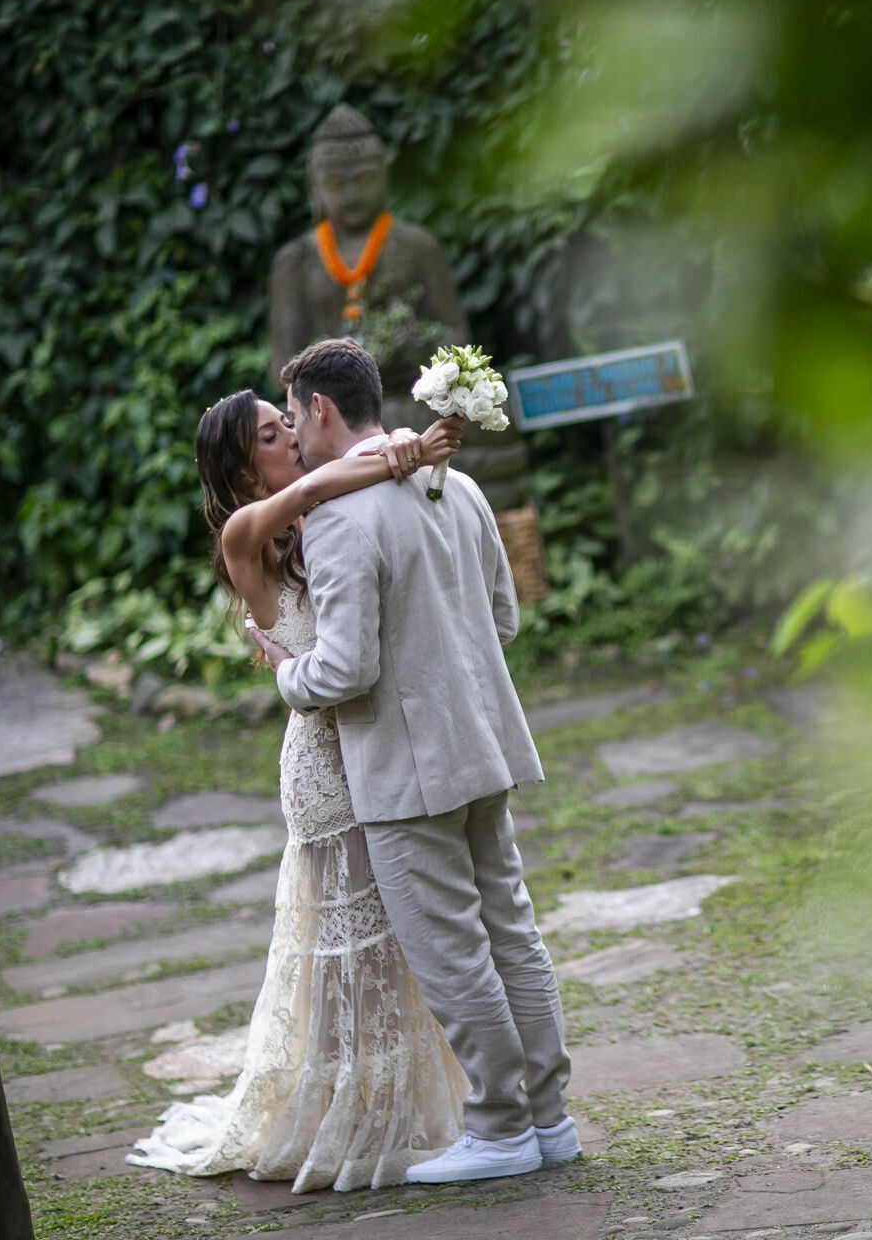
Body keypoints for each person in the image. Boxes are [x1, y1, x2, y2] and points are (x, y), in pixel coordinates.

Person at [248, 337, 577, 1183]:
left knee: (454, 952)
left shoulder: (337, 519)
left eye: (291, 416)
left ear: (320, 410)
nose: (291, 430)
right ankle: (551, 1119)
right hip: (486, 744)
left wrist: (288, 672)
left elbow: (346, 669)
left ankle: (502, 1130)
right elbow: (502, 619)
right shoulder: (458, 485)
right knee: (513, 931)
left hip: (404, 770)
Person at [128, 389, 471, 1192]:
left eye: (290, 427)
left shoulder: (320, 525)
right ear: (245, 468)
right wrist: (403, 450)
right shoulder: (246, 532)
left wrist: (411, 448)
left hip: (374, 746)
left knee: (399, 947)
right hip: (323, 766)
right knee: (348, 956)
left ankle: (409, 1105)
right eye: (277, 436)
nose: (294, 441)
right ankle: (347, 1115)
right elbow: (317, 485)